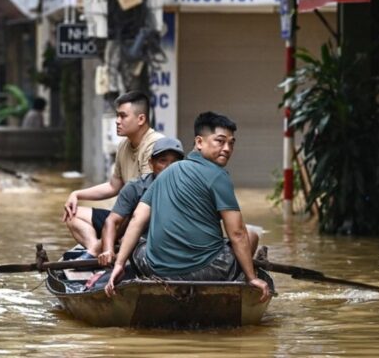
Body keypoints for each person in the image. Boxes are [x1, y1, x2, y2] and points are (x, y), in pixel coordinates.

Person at [104, 112, 270, 303]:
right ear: (199, 142)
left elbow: (136, 219)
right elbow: (238, 234)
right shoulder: (219, 176)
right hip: (207, 272)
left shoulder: (165, 173)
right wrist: (252, 278)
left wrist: (119, 263)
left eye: (231, 143)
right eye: (220, 141)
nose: (227, 148)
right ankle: (238, 282)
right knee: (251, 235)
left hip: (154, 269)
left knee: (139, 243)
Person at [63, 91, 164, 259]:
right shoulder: (124, 145)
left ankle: (96, 251)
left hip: (145, 220)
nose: (117, 121)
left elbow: (144, 203)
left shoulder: (156, 145)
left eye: (123, 116)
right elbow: (113, 186)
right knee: (72, 215)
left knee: (122, 219)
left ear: (141, 119)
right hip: (123, 216)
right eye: (117, 115)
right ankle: (96, 250)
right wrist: (76, 194)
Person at [83, 137, 185, 289]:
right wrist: (108, 250)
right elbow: (112, 221)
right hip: (141, 251)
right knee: (99, 286)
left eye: (174, 162)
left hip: (176, 252)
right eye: (162, 161)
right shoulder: (135, 188)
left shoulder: (189, 188)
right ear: (151, 163)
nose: (168, 167)